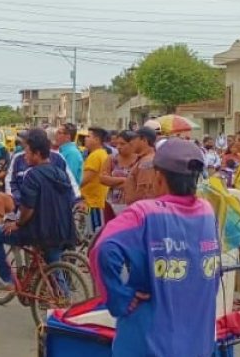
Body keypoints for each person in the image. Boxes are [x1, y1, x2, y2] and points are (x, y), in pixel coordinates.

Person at [92, 138, 222, 357]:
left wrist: (120, 298)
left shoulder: (143, 212)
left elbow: (102, 250)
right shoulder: (206, 211)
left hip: (148, 341)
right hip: (198, 340)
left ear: (159, 176)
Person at [0, 128, 76, 291]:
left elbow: (28, 209)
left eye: (27, 151)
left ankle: (5, 279)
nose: (24, 155)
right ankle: (64, 302)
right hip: (61, 230)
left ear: (37, 153)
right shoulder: (59, 173)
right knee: (55, 268)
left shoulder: (32, 175)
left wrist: (18, 224)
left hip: (38, 231)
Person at [79, 127, 110, 238]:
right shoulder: (102, 153)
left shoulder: (96, 156)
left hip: (93, 203)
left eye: (88, 136)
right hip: (96, 201)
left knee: (93, 236)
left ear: (97, 140)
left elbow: (83, 180)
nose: (85, 139)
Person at [100, 129, 137, 220]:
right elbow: (102, 178)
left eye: (122, 144)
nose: (118, 147)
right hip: (111, 203)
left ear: (132, 144)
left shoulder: (139, 161)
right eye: (117, 144)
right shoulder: (112, 159)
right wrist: (123, 180)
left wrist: (113, 181)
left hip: (132, 204)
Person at [122, 126, 158, 205]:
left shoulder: (147, 162)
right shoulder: (143, 159)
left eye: (134, 139)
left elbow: (144, 193)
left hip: (141, 211)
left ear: (144, 140)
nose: (131, 142)